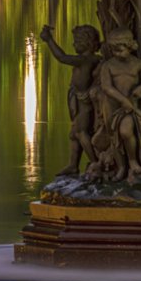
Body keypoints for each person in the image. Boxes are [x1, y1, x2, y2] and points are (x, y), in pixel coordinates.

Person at [90, 29, 141, 182]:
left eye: (120, 49)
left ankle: (132, 160)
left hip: (131, 106)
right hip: (112, 106)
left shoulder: (138, 64)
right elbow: (106, 87)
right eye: (113, 50)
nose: (117, 53)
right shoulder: (108, 66)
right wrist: (123, 100)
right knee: (114, 136)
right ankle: (121, 167)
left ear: (130, 46)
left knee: (125, 132)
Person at [40, 23, 101, 175]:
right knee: (74, 134)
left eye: (77, 41)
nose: (73, 44)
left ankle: (96, 163)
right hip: (78, 100)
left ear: (88, 43)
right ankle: (73, 165)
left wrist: (49, 40)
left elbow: (62, 57)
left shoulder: (86, 60)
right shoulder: (90, 59)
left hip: (85, 102)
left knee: (81, 132)